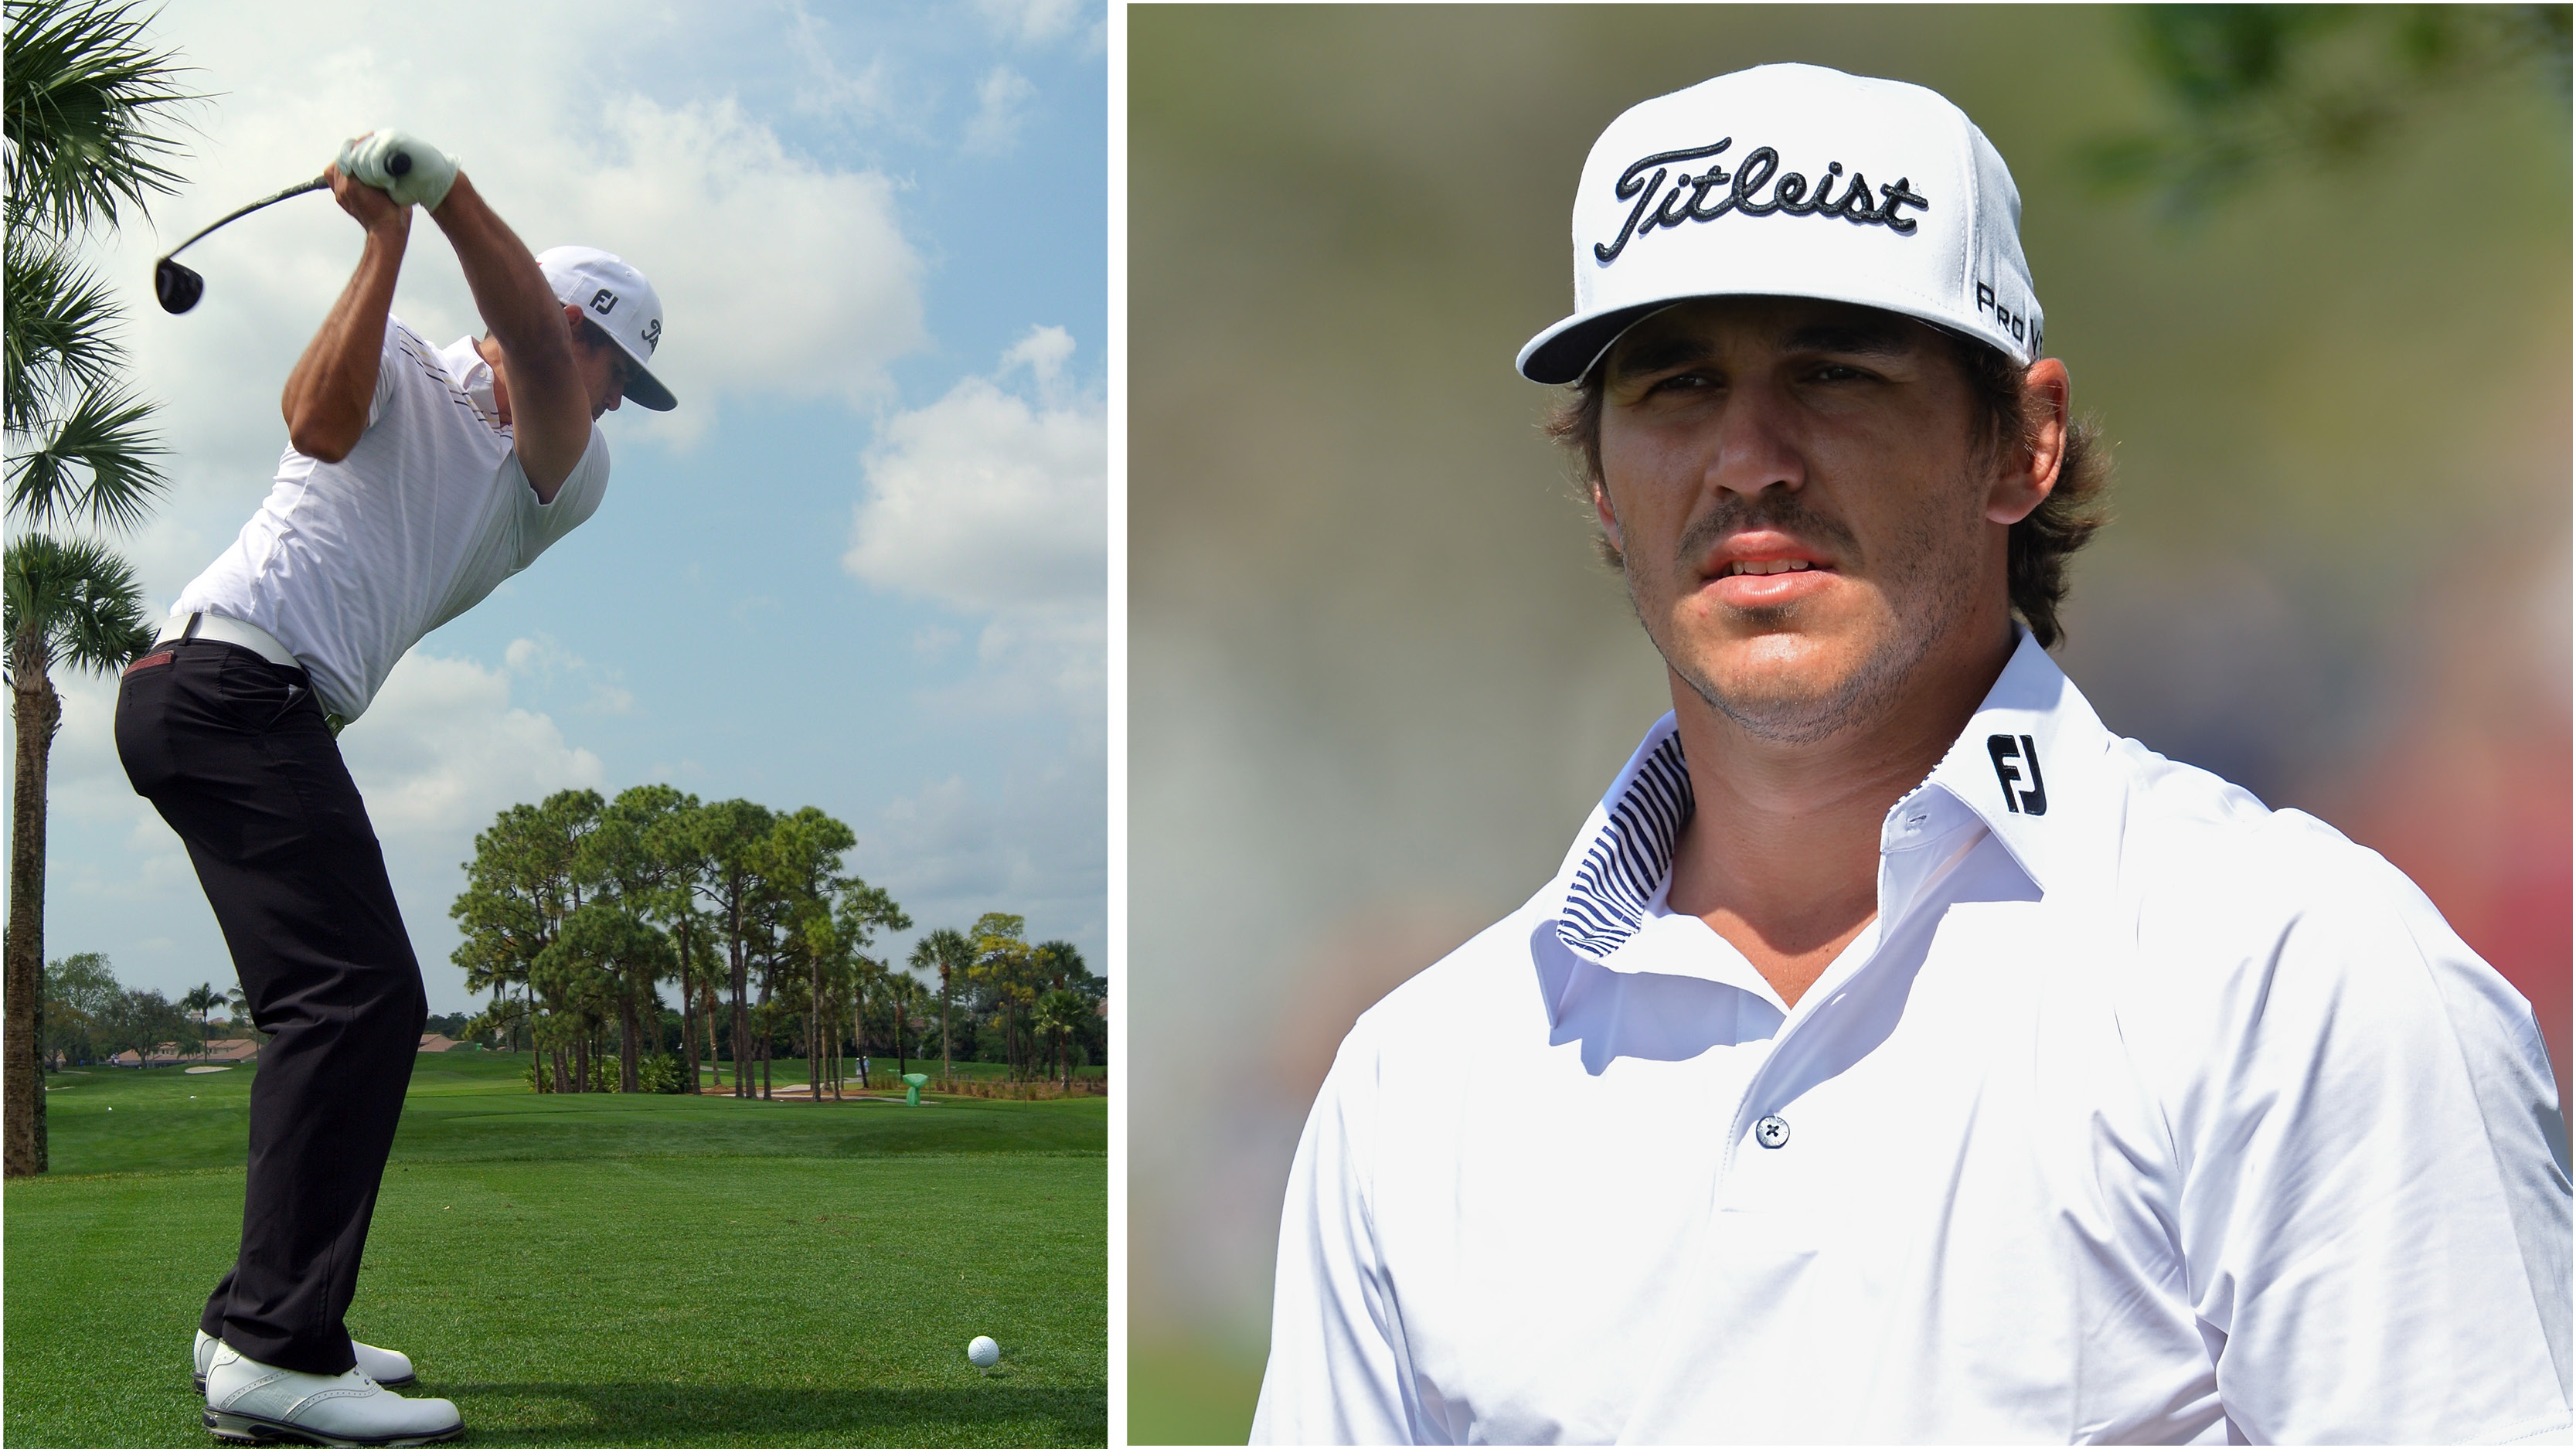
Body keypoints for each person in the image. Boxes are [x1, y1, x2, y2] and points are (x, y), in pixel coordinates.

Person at [1249, 63, 2571, 1445]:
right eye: (1676, 384)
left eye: (1833, 373)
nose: (1746, 459)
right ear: (1600, 483)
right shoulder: (1421, 1081)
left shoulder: (2293, 978)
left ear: (2024, 444)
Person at [115, 129, 675, 1447]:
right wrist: (385, 240)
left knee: (340, 1003)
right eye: (617, 369)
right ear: (578, 328)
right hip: (218, 684)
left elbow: (533, 356)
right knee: (358, 1000)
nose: (609, 403)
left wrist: (444, 193)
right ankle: (271, 1345)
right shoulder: (408, 361)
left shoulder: (566, 472)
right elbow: (313, 420)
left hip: (247, 702)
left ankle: (260, 1318)